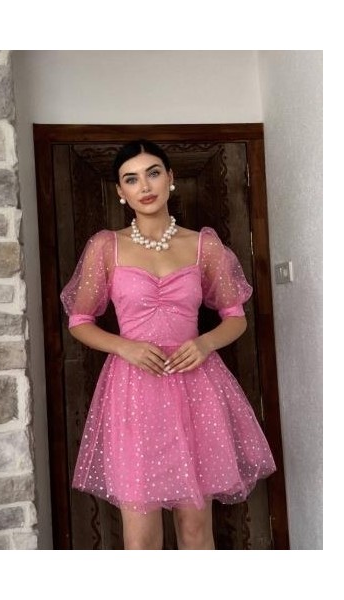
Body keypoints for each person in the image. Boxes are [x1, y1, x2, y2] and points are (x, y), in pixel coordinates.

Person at [60, 139, 276, 550]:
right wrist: (124, 347)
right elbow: (79, 322)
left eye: (153, 173)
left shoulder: (204, 245)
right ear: (120, 192)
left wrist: (205, 343)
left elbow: (236, 318)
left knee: (195, 529)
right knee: (141, 538)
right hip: (134, 390)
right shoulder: (106, 246)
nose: (144, 186)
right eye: (131, 179)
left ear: (171, 178)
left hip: (195, 387)